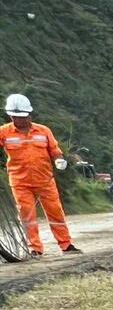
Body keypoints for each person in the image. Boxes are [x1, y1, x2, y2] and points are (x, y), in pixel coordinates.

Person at [3, 93, 79, 255]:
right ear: (10, 116)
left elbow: (55, 151)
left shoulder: (44, 131)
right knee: (26, 216)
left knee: (55, 212)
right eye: (15, 116)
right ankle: (35, 248)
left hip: (45, 180)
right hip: (19, 181)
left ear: (30, 114)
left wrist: (58, 160)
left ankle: (66, 244)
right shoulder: (4, 132)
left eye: (23, 116)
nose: (19, 120)